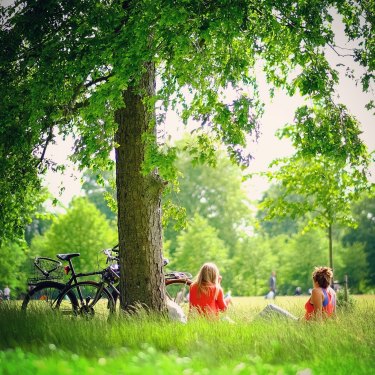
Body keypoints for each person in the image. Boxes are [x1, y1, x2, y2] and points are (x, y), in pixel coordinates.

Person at [258, 266, 336, 322]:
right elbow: (334, 317)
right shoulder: (332, 292)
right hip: (301, 322)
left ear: (316, 281)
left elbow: (318, 319)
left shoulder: (317, 291)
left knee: (270, 307)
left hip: (299, 325)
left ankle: (251, 327)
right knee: (272, 317)